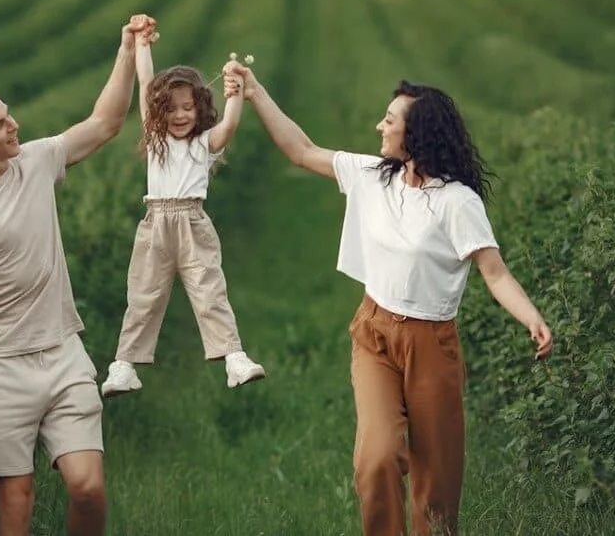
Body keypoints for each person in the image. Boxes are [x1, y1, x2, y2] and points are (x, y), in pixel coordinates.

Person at [222, 60, 554, 536]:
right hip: (374, 334)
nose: (380, 125)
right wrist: (253, 92)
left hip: (431, 345)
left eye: (390, 120)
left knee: (436, 488)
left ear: (416, 135)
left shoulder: (457, 202)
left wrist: (532, 318)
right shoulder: (371, 176)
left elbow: (495, 274)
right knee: (375, 458)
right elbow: (301, 150)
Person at [0, 13, 156, 536]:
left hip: (62, 351)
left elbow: (105, 124)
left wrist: (126, 49)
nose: (14, 127)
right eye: (0, 126)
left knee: (89, 488)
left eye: (9, 116)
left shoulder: (37, 161)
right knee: (16, 505)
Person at [99, 32, 266, 398]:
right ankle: (124, 364)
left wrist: (235, 90)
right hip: (156, 221)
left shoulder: (202, 144)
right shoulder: (155, 138)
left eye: (188, 107)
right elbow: (145, 82)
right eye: (171, 108)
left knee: (209, 291)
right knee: (143, 294)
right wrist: (142, 43)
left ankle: (233, 357)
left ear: (200, 108)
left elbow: (230, 126)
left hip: (192, 221)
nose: (179, 115)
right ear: (159, 110)